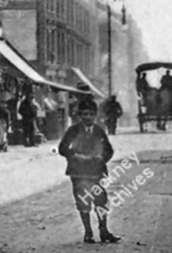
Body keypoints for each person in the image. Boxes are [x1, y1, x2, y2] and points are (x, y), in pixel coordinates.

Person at [58, 97, 120, 244]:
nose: (87, 117)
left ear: (95, 115)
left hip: (96, 171)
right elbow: (62, 149)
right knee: (83, 201)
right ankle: (88, 233)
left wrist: (101, 158)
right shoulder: (73, 130)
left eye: (91, 114)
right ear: (80, 115)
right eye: (84, 114)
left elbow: (109, 150)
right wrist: (75, 156)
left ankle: (104, 231)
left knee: (101, 200)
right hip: (78, 172)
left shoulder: (99, 131)